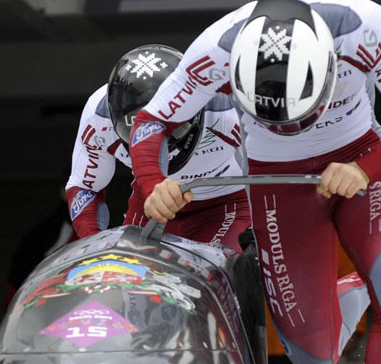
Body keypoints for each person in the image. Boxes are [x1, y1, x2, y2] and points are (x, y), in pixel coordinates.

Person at [130, 1, 381, 364]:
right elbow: (151, 120)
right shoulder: (217, 47)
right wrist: (152, 183)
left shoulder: (365, 27)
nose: (293, 126)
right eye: (275, 116)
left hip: (360, 157)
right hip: (277, 178)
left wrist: (367, 168)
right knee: (312, 358)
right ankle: (351, 285)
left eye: (300, 113)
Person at [64, 44, 251, 253]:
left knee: (225, 269)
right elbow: (85, 187)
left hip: (226, 204)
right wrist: (94, 248)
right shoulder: (98, 118)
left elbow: (269, 171)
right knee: (128, 272)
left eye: (167, 132)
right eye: (139, 137)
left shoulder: (226, 108)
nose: (162, 149)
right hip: (151, 202)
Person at [5, 167, 78, 308]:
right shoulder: (46, 235)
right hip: (50, 315)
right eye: (83, 189)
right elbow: (16, 289)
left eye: (98, 189)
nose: (91, 196)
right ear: (64, 192)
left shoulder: (108, 233)